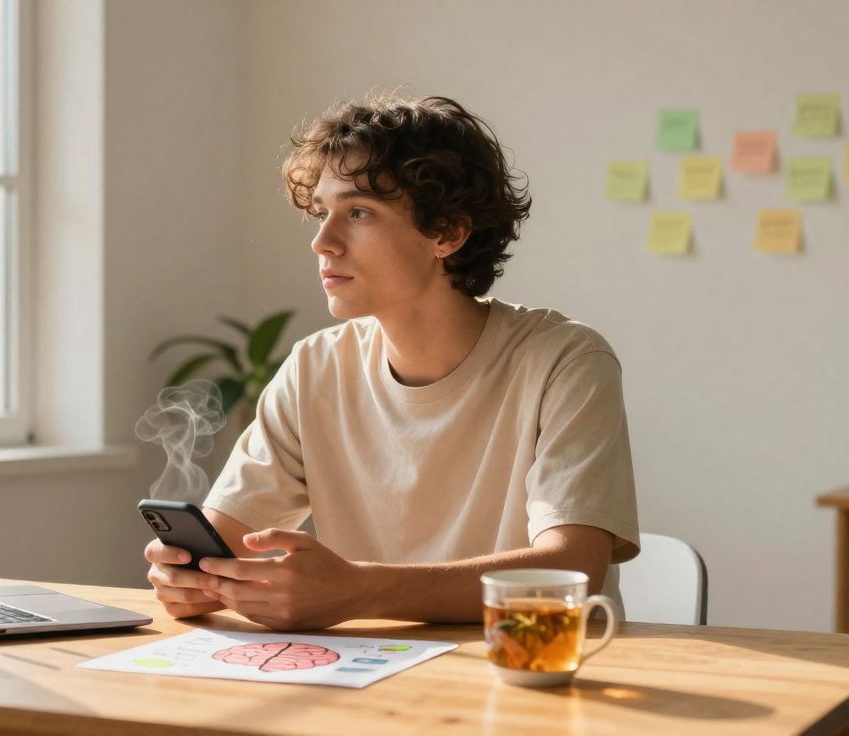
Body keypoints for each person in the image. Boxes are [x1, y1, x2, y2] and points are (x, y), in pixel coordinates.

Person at [144, 93, 640, 631]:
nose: (322, 242)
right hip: (375, 680)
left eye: (359, 213)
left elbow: (573, 567)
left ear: (448, 233)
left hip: (531, 670)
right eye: (321, 213)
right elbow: (222, 540)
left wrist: (360, 592)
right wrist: (192, 579)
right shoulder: (315, 368)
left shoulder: (565, 361)